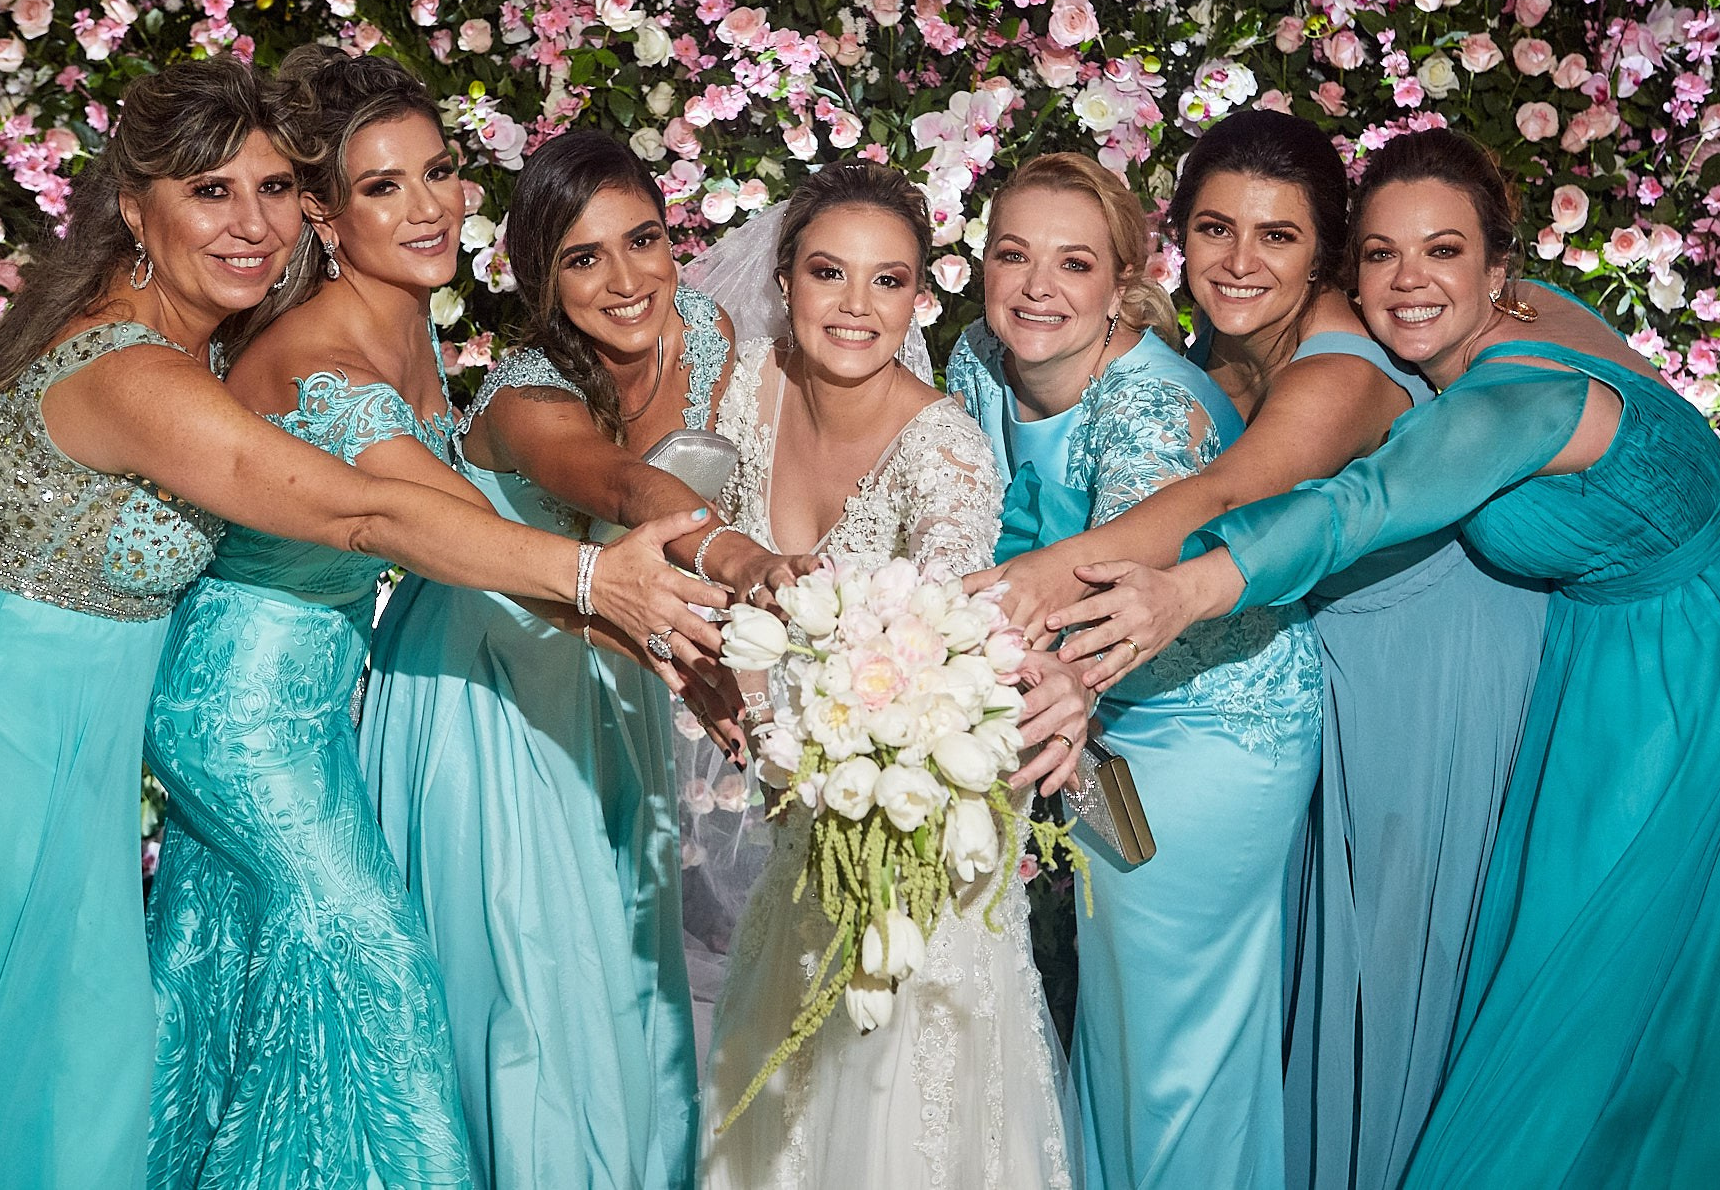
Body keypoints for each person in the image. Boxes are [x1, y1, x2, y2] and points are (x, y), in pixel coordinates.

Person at [0, 57, 716, 1189]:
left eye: (273, 188)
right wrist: (594, 582)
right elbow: (365, 513)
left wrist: (641, 620)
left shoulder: (228, 336)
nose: (253, 223)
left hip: (94, 705)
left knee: (87, 1026)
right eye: (211, 192)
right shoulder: (134, 371)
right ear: (135, 210)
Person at [1052, 128, 1720, 1189]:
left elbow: (1365, 502)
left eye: (1441, 253)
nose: (1407, 281)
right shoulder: (1502, 332)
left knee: (1623, 994)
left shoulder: (1515, 394)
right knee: (1560, 978)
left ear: (1497, 271)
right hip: (1598, 655)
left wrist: (1185, 588)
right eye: (1381, 254)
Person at [140, 54, 728, 1188]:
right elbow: (453, 530)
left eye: (440, 172)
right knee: (378, 972)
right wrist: (654, 637)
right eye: (380, 186)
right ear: (323, 210)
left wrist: (647, 645)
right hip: (245, 707)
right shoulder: (317, 353)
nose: (425, 207)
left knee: (248, 990)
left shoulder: (404, 326)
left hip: (327, 696)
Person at [976, 114, 1547, 1190]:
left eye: (1277, 237)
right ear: (1175, 238)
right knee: (1172, 1017)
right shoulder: (1212, 351)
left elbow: (1223, 496)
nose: (1239, 261)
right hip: (1238, 680)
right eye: (1213, 229)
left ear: (1322, 252)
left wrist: (1042, 586)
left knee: (1346, 990)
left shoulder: (1340, 368)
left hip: (1398, 686)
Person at [357, 129, 813, 1189]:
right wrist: (734, 552)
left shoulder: (703, 330)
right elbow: (615, 483)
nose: (624, 280)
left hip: (609, 661)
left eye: (641, 240)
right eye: (583, 258)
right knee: (530, 975)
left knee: (620, 964)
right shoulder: (527, 396)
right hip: (487, 680)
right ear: (542, 282)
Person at [699, 161, 1085, 1190]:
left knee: (900, 1105)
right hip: (795, 822)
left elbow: (951, 653)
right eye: (829, 273)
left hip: (908, 820)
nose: (855, 307)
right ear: (783, 280)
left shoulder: (945, 450)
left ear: (919, 297)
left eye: (888, 281)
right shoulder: (740, 388)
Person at [947, 152, 1324, 1190]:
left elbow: (1124, 593)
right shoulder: (975, 357)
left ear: (1120, 283)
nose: (1036, 288)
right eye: (1011, 256)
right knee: (1113, 1019)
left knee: (1169, 1036)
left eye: (1072, 264)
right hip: (1098, 715)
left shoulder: (1147, 404)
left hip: (1213, 723)